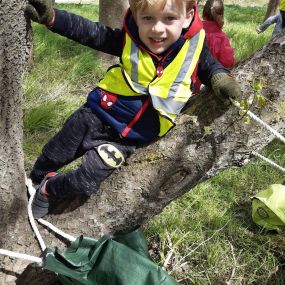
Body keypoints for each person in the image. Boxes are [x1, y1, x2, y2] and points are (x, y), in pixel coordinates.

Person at [25, 0, 242, 219]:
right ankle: (33, 182)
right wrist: (53, 18)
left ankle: (48, 189)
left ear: (188, 16)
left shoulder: (195, 47)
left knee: (86, 180)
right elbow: (92, 33)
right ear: (136, 16)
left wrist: (221, 78)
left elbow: (211, 66)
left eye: (169, 18)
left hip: (126, 141)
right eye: (148, 18)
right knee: (54, 153)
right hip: (96, 114)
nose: (157, 28)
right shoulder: (130, 39)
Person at [193, 0, 235, 93]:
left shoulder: (195, 31)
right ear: (221, 15)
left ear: (203, 13)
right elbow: (228, 62)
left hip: (192, 80)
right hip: (211, 79)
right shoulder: (221, 37)